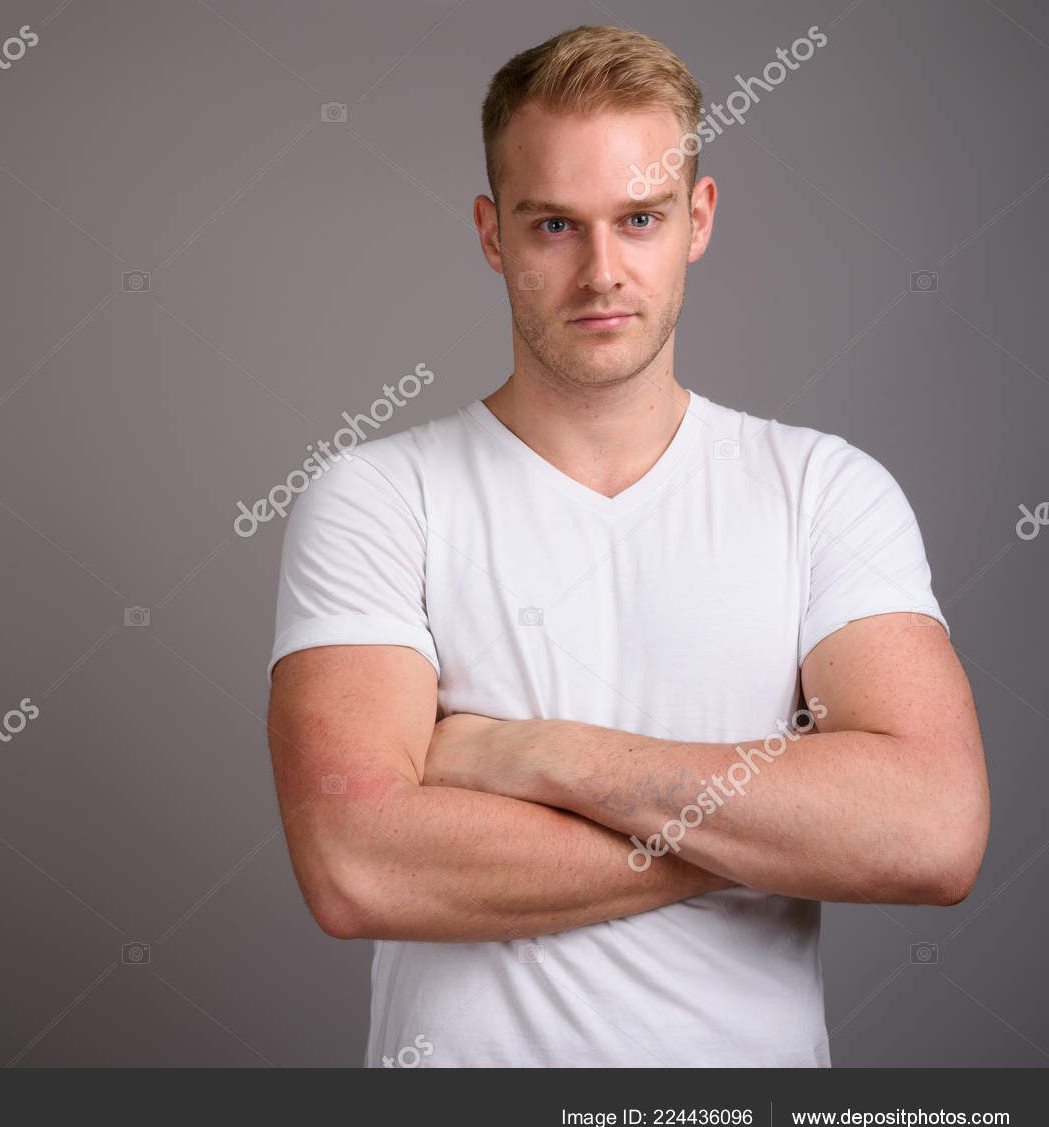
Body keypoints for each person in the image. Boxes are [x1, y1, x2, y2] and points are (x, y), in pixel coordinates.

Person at [264, 24, 989, 1068]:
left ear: (696, 218)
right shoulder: (378, 496)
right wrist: (776, 829)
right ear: (491, 233)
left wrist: (533, 754)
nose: (600, 271)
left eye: (638, 218)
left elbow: (929, 831)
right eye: (554, 224)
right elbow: (357, 866)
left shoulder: (822, 490)